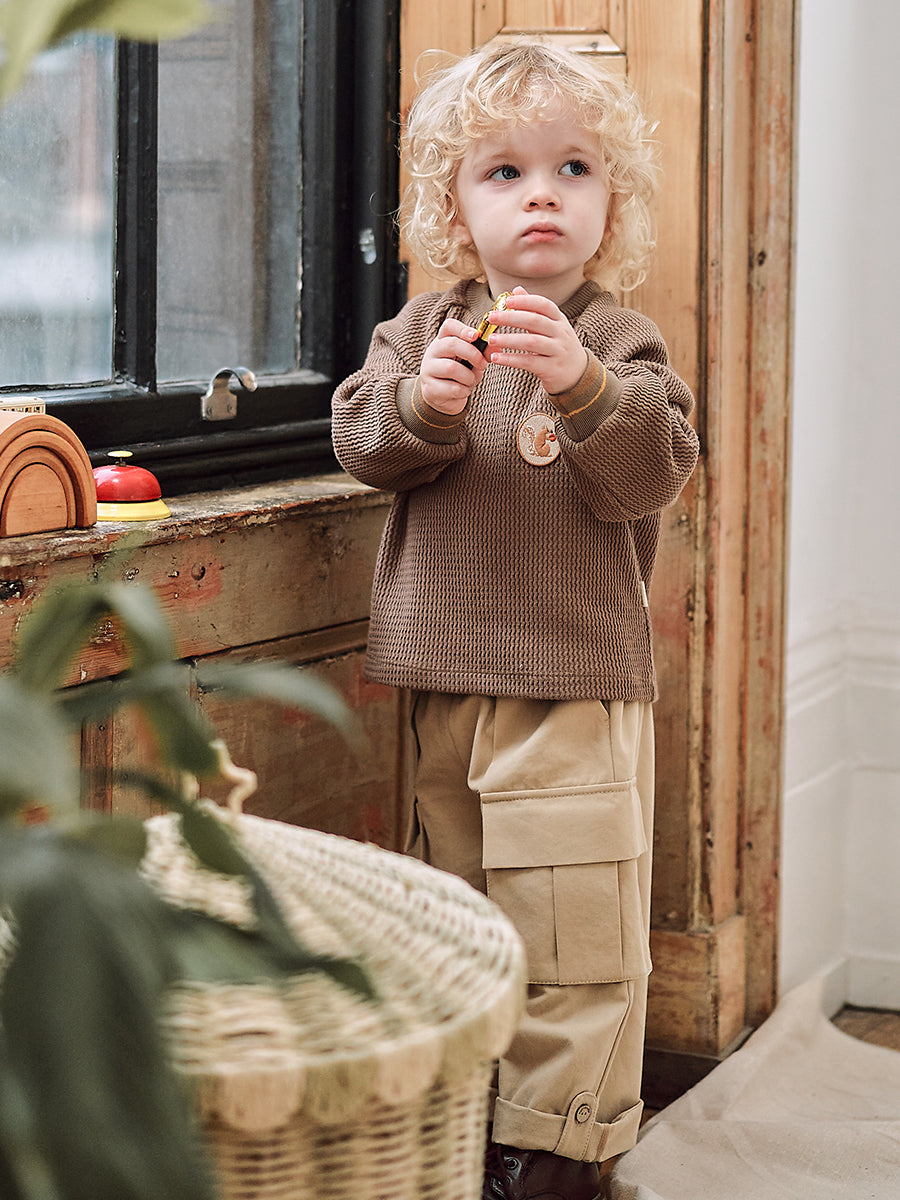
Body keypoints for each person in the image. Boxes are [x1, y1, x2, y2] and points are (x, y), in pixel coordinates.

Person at [331, 39, 699, 1200]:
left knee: (569, 925)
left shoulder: (620, 342)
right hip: (445, 685)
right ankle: (470, 1123)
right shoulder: (420, 332)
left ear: (611, 204)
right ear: (454, 208)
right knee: (460, 909)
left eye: (573, 168)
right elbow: (363, 442)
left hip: (572, 688)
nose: (543, 193)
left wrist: (583, 386)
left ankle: (557, 1150)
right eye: (505, 172)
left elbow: (653, 468)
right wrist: (424, 404)